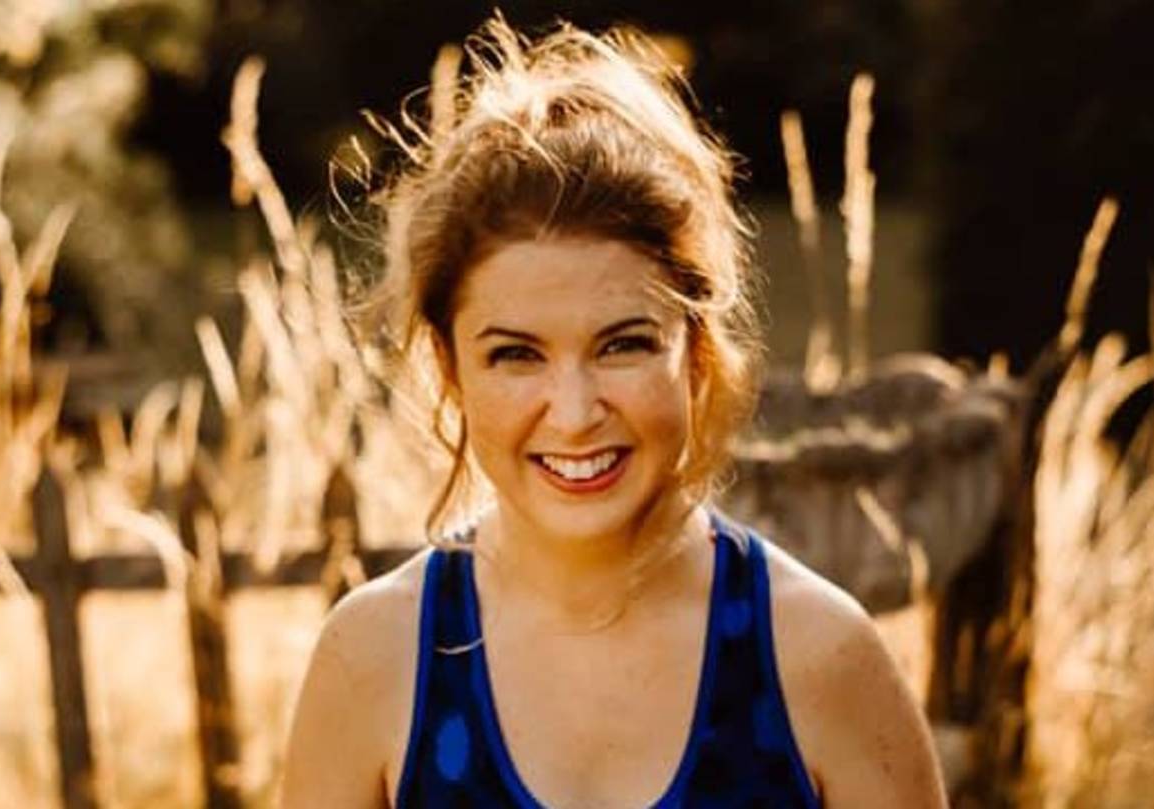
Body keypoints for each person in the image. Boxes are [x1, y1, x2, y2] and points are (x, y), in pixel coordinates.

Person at [282, 16, 946, 808]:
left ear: (696, 349)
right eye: (516, 354)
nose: (573, 413)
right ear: (450, 368)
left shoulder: (821, 656)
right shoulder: (374, 659)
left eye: (623, 345)